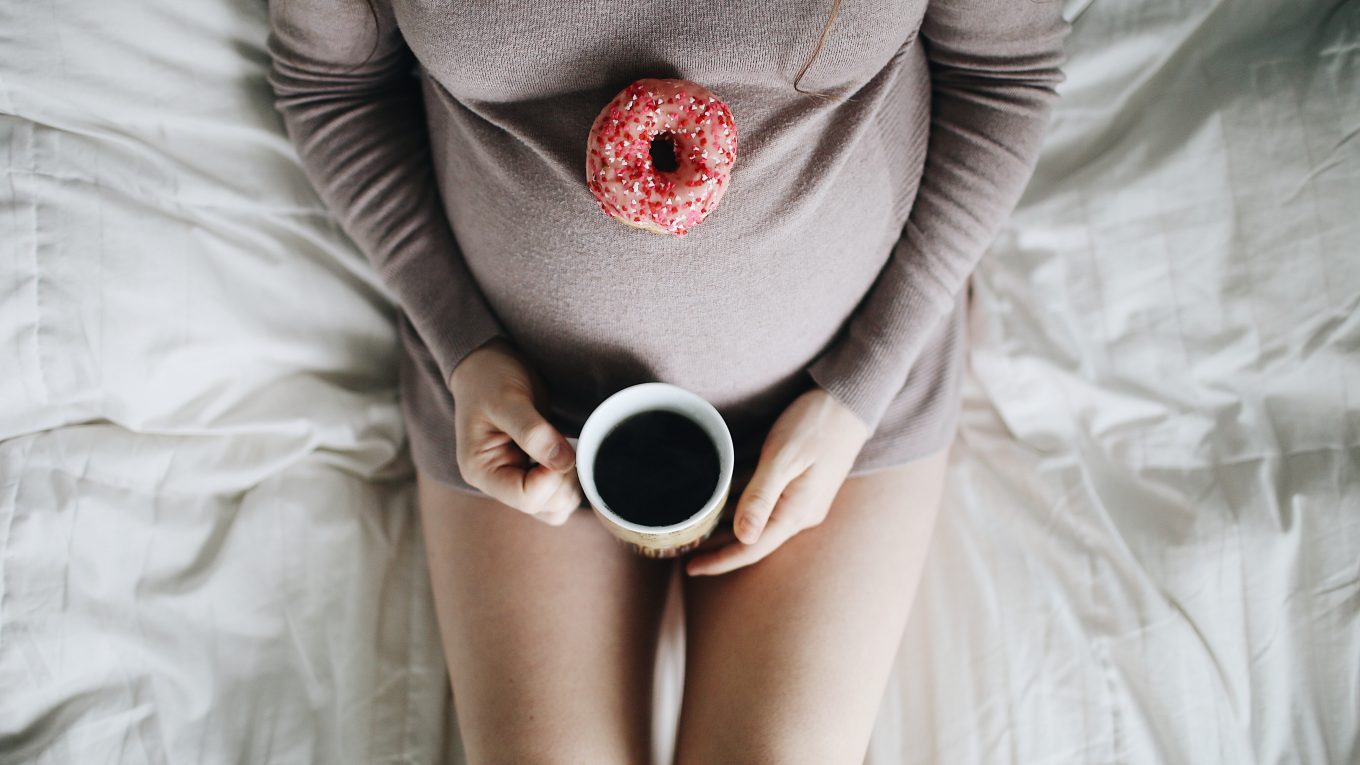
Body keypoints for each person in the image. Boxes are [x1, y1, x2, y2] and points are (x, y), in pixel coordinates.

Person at [268, 0, 1066, 761]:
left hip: (842, 400)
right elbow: (329, 83)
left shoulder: (859, 387)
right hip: (520, 414)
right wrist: (462, 346)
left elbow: (1005, 69)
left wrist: (861, 387)